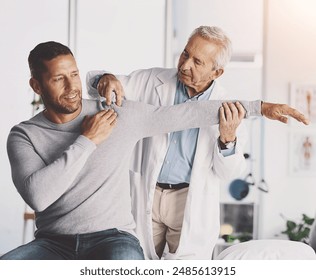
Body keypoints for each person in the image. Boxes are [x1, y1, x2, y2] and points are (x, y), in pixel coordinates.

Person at [0, 40, 276, 260]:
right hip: (53, 244)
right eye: (59, 79)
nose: (72, 87)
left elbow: (185, 114)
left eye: (74, 74)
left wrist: (260, 108)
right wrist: (87, 140)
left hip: (112, 237)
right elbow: (39, 197)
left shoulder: (114, 112)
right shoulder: (24, 135)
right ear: (36, 85)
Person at [86, 26, 310, 259]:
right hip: (147, 193)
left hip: (188, 200)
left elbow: (228, 172)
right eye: (185, 54)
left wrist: (228, 138)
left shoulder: (228, 108)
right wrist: (105, 79)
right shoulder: (152, 80)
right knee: (137, 260)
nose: (184, 65)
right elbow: (105, 86)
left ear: (217, 72)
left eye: (197, 62)